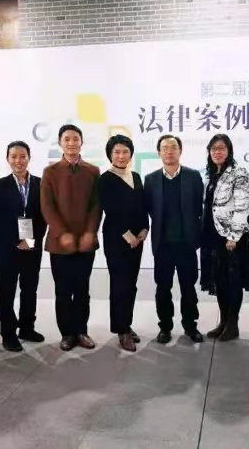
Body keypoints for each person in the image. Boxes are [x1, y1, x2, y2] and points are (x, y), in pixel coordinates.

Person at [41, 124, 101, 352]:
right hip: (60, 244)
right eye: (67, 139)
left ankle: (81, 331)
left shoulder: (93, 171)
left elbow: (96, 206)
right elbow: (47, 206)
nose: (71, 143)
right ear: (60, 143)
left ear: (82, 142)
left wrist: (90, 232)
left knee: (83, 290)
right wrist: (62, 233)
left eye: (76, 139)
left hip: (85, 243)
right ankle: (67, 333)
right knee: (63, 291)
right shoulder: (50, 172)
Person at [144, 134, 204, 344]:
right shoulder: (151, 180)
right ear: (159, 152)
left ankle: (191, 326)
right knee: (163, 288)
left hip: (186, 244)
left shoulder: (193, 176)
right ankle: (165, 327)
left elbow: (199, 208)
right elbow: (149, 209)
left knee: (189, 288)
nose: (169, 151)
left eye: (173, 147)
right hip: (163, 245)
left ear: (180, 150)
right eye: (164, 148)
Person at [200, 134, 249, 342]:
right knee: (220, 281)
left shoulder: (238, 172)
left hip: (231, 238)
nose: (217, 152)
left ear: (229, 151)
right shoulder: (210, 174)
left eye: (222, 148)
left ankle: (232, 325)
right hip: (212, 236)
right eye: (214, 148)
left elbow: (243, 206)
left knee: (233, 282)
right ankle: (223, 322)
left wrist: (234, 236)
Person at [0, 141, 47, 352]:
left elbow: (43, 218)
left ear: (29, 158)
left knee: (29, 289)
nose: (18, 161)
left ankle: (27, 328)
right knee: (7, 291)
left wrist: (30, 241)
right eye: (14, 156)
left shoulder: (40, 184)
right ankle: (8, 333)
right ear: (7, 159)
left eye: (22, 156)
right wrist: (16, 242)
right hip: (8, 249)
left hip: (32, 248)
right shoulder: (0, 185)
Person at [98, 135, 149, 352]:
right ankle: (121, 331)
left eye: (125, 152)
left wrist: (144, 229)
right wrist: (129, 236)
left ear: (131, 154)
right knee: (120, 284)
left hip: (137, 240)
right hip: (117, 240)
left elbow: (142, 206)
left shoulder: (135, 176)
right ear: (110, 154)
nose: (121, 156)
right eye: (117, 152)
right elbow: (111, 211)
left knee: (131, 284)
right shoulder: (105, 179)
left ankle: (126, 323)